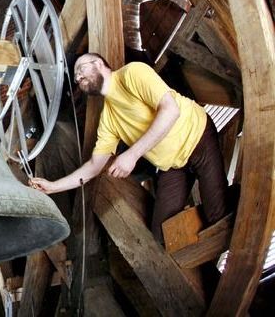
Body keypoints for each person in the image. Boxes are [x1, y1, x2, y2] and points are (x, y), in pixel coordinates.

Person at [30, 53, 228, 242]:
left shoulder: (132, 73)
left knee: (217, 215)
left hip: (197, 136)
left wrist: (132, 154)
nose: (78, 77)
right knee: (162, 236)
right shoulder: (108, 118)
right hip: (175, 166)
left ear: (99, 64)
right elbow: (94, 166)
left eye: (81, 69)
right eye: (75, 77)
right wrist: (53, 186)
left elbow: (170, 110)